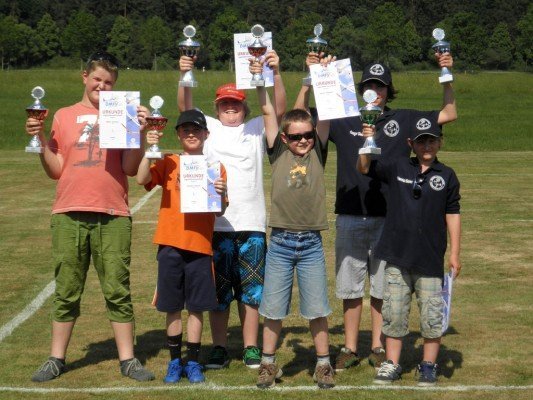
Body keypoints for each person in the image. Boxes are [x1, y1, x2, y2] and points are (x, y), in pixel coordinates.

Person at [295, 51, 457, 372]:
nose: (375, 91)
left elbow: (449, 113)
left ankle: (378, 346)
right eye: (369, 85)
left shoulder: (404, 119)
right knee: (350, 287)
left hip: (390, 217)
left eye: (380, 86)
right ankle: (350, 346)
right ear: (360, 89)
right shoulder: (343, 116)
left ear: (388, 89)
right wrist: (311, 79)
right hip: (350, 212)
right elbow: (299, 117)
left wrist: (446, 74)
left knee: (383, 288)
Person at [24, 51, 154, 382]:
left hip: (112, 213)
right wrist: (39, 139)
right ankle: (56, 358)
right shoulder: (63, 115)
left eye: (109, 82)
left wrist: (140, 132)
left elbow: (129, 168)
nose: (102, 86)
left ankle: (128, 360)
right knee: (66, 289)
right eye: (97, 79)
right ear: (85, 77)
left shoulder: (123, 112)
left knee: (118, 289)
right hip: (68, 212)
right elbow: (56, 170)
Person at [178, 51, 286, 369]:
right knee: (220, 291)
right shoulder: (208, 128)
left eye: (235, 103)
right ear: (216, 107)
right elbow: (185, 107)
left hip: (251, 222)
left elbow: (278, 109)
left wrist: (274, 73)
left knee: (252, 291)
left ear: (244, 106)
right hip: (217, 224)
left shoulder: (254, 128)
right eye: (224, 103)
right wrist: (185, 74)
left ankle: (250, 347)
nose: (230, 108)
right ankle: (220, 347)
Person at [356, 112, 461, 386]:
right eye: (421, 141)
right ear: (410, 143)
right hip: (397, 257)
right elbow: (365, 168)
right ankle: (391, 363)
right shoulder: (398, 166)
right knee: (394, 313)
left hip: (429, 260)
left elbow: (453, 214)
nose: (427, 146)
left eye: (432, 140)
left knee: (431, 315)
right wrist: (366, 143)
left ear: (440, 142)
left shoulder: (447, 175)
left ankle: (428, 365)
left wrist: (455, 253)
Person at [136, 109, 228, 384]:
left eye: (196, 129)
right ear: (177, 134)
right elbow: (141, 179)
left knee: (197, 308)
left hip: (200, 245)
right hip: (170, 244)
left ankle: (194, 361)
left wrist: (221, 193)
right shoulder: (169, 161)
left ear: (206, 134)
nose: (191, 134)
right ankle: (175, 361)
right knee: (173, 307)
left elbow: (220, 211)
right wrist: (150, 152)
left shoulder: (216, 168)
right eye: (185, 130)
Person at [255, 87, 335, 388]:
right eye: (296, 136)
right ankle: (268, 364)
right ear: (284, 138)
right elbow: (267, 111)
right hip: (280, 243)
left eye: (308, 135)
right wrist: (260, 81)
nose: (303, 140)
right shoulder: (278, 153)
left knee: (318, 309)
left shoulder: (317, 152)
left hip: (311, 244)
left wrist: (318, 79)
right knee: (273, 309)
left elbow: (326, 114)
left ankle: (323, 365)